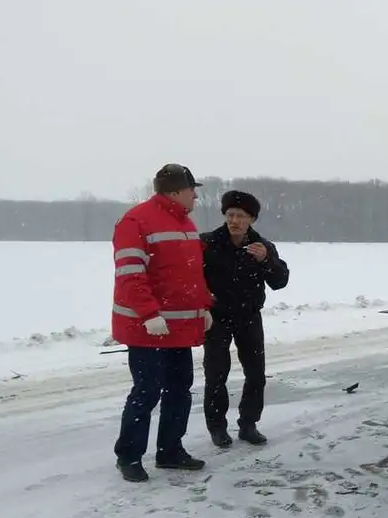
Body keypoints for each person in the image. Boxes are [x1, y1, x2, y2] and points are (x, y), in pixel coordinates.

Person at [111, 164, 213, 482]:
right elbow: (130, 275)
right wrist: (149, 314)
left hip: (179, 328)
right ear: (174, 191)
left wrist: (204, 305)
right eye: (191, 189)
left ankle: (170, 450)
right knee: (147, 391)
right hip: (148, 329)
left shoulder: (185, 222)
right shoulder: (136, 221)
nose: (195, 194)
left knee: (179, 391)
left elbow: (189, 274)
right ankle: (128, 456)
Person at [201, 190, 290, 448]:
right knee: (216, 375)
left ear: (252, 219)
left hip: (249, 316)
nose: (234, 220)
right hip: (216, 317)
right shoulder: (208, 243)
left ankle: (249, 424)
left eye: (241, 216)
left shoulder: (262, 246)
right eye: (230, 215)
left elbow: (280, 281)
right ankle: (217, 427)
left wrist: (266, 261)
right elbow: (193, 277)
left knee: (256, 374)